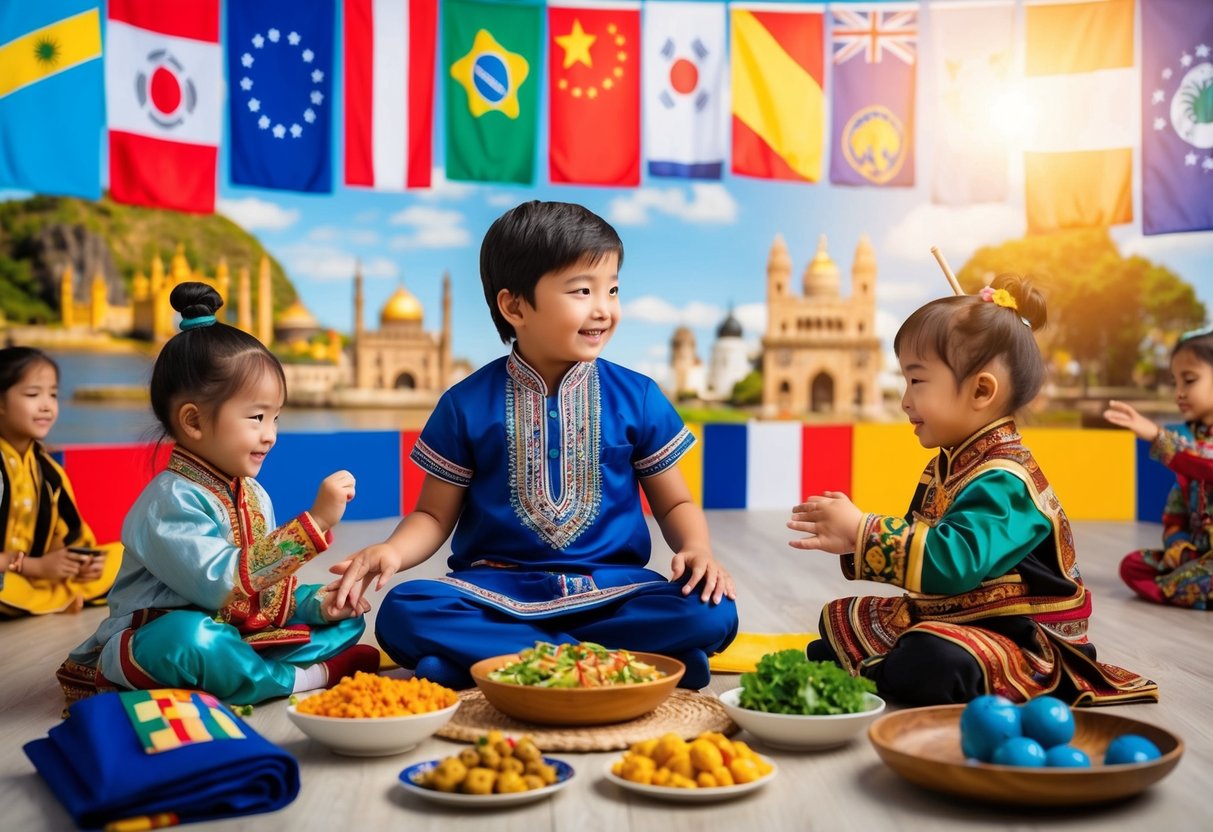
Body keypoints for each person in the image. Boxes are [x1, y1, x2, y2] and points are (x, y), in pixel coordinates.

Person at [329, 201, 738, 690]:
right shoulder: (465, 404)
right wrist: (392, 551)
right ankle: (629, 665)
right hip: (495, 593)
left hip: (613, 592)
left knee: (713, 611)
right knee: (404, 611)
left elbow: (676, 501)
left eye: (612, 289)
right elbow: (435, 516)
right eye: (583, 291)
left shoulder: (639, 396)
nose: (603, 308)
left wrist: (697, 549)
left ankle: (492, 664)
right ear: (515, 306)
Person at [788, 275, 1158, 706]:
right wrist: (852, 539)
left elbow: (953, 562)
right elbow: (920, 545)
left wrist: (863, 530)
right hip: (968, 614)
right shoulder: (948, 464)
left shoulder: (1007, 479)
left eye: (917, 381)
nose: (905, 400)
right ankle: (881, 667)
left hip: (1024, 634)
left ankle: (886, 670)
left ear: (981, 390)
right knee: (838, 623)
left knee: (929, 659)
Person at [57, 283, 379, 707]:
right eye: (257, 417)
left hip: (234, 627)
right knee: (191, 637)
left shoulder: (254, 494)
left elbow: (261, 591)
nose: (271, 435)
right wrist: (315, 523)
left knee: (346, 616)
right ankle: (301, 678)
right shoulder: (168, 500)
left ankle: (251, 669)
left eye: (276, 418)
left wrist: (320, 605)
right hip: (156, 637)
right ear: (193, 421)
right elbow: (222, 585)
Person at [0, 347, 122, 616]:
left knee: (125, 556)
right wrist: (32, 567)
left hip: (39, 580)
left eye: (53, 395)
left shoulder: (49, 472)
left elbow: (71, 539)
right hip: (11, 578)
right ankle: (58, 599)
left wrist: (84, 563)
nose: (47, 405)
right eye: (33, 394)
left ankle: (53, 599)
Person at [1104, 326, 1213, 609]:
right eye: (1175, 382)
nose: (1179, 393)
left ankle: (1191, 586)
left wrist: (1156, 436)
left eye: (1189, 380)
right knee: (1133, 566)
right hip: (1201, 556)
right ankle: (1193, 584)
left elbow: (1205, 466)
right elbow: (1175, 512)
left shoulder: (1186, 449)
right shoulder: (1189, 441)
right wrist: (1179, 546)